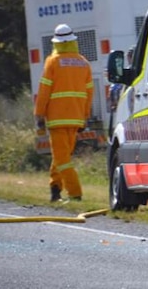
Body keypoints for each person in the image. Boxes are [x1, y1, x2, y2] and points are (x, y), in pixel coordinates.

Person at [34, 24, 94, 203]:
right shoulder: (84, 63)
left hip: (57, 119)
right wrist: (85, 116)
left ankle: (75, 194)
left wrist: (39, 114)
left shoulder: (52, 62)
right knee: (61, 156)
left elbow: (44, 90)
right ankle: (55, 189)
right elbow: (89, 93)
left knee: (62, 160)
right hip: (75, 119)